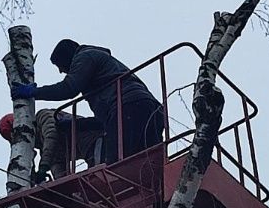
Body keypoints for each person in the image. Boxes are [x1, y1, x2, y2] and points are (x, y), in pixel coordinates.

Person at [11, 40, 164, 164]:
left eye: (60, 66)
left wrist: (33, 92)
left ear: (67, 57)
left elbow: (68, 88)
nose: (61, 71)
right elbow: (103, 122)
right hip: (146, 107)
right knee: (150, 165)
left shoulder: (85, 57)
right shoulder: (103, 70)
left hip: (128, 107)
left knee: (117, 166)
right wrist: (77, 125)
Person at [0, 110, 101, 181]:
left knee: (99, 175)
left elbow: (52, 136)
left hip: (96, 138)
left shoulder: (43, 116)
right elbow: (60, 173)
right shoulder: (47, 152)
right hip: (90, 150)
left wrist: (43, 166)